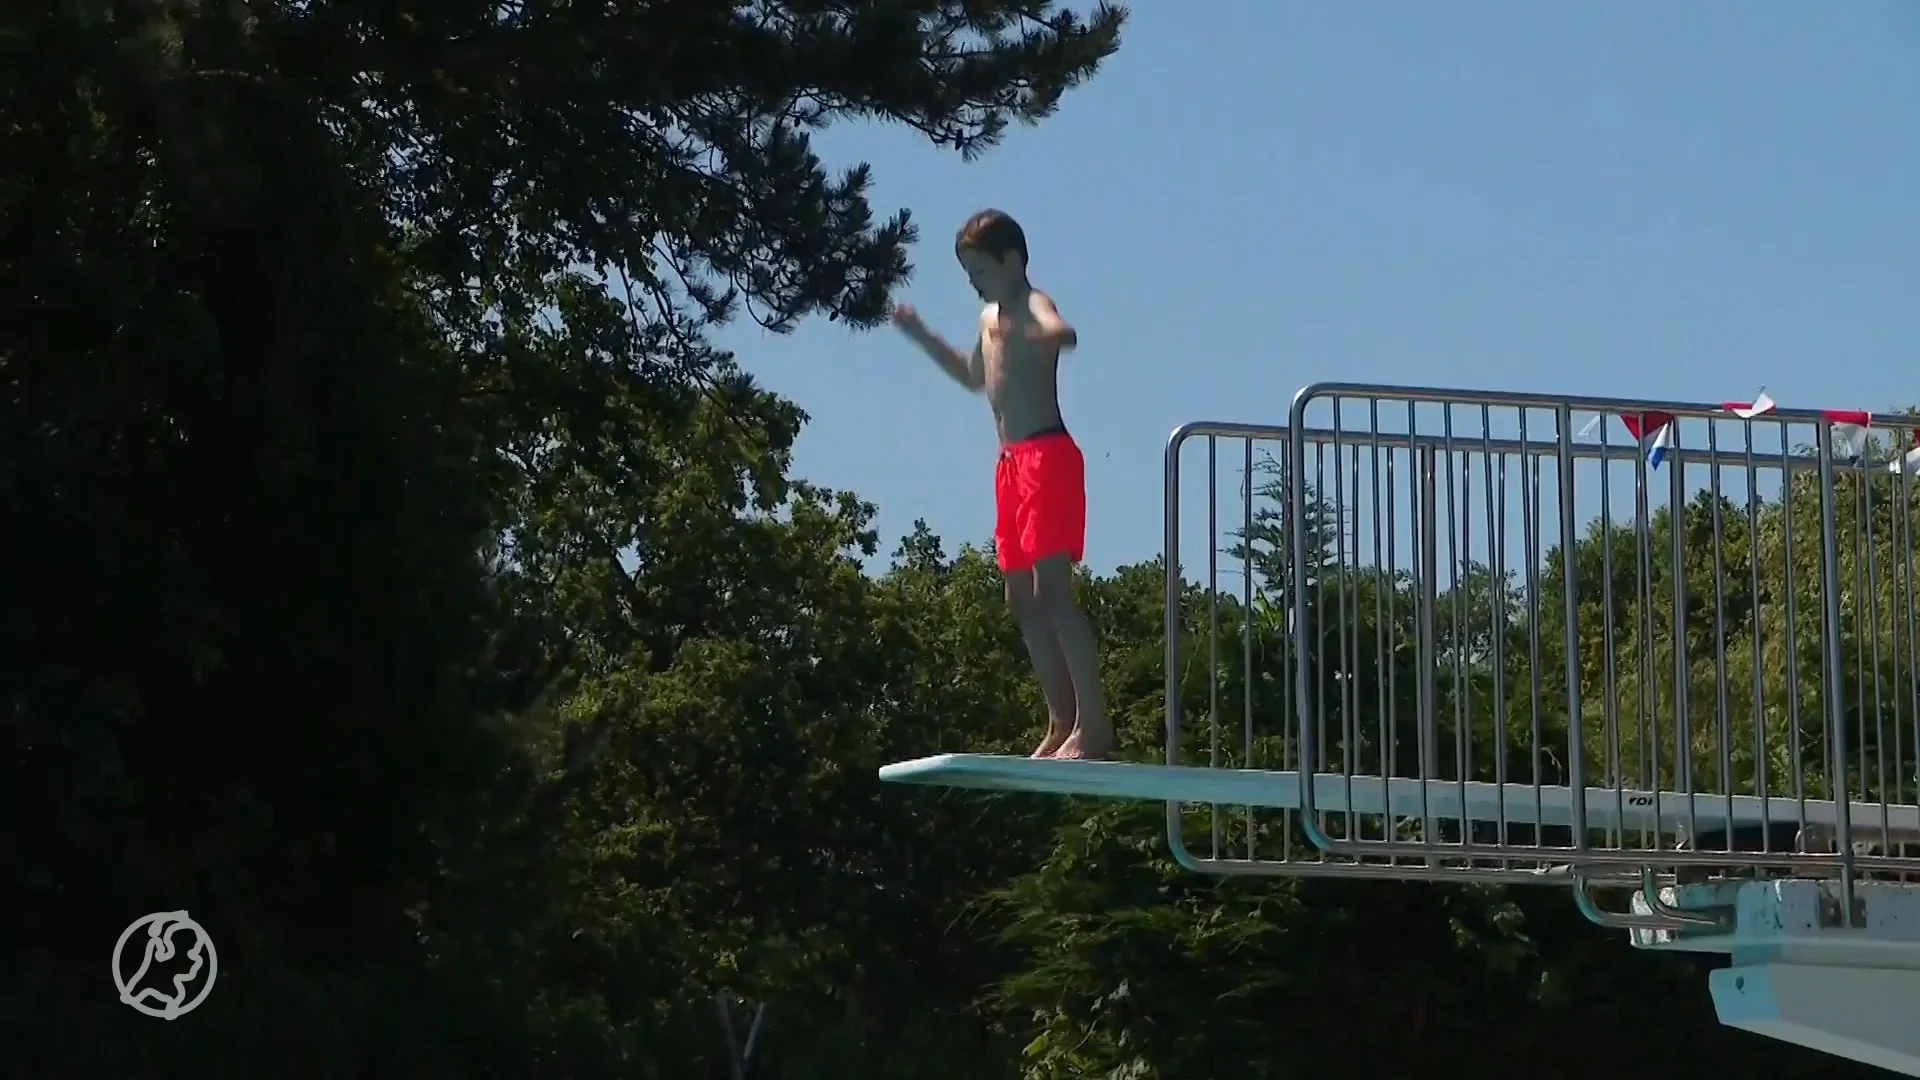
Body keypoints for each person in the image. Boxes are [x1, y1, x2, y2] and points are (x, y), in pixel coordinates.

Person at [890, 209, 1115, 760]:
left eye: (980, 272)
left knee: (1054, 595)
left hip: (1047, 457)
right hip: (1010, 465)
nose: (974, 284)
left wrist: (1049, 332)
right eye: (968, 275)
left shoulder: (1031, 304)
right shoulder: (989, 317)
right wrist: (922, 336)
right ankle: (1061, 721)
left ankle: (1096, 727)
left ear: (1011, 261)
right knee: (1020, 598)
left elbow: (1061, 328)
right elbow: (973, 376)